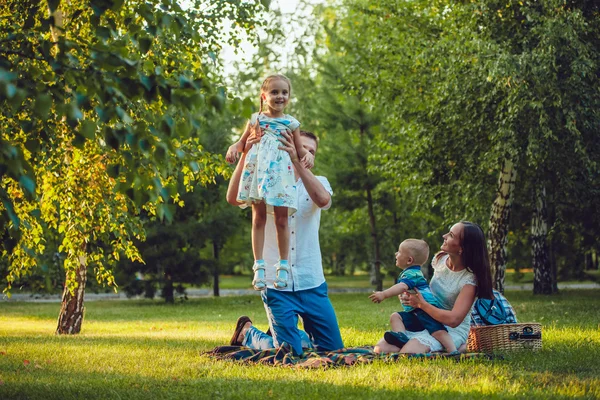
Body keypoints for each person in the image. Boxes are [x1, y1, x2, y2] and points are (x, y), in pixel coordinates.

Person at [226, 129, 344, 356]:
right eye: (303, 148)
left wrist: (297, 162)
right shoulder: (265, 181)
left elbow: (323, 200)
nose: (307, 153)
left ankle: (282, 331)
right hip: (276, 284)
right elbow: (232, 198)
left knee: (333, 350)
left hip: (312, 282)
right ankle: (248, 332)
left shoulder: (320, 182)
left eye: (312, 151)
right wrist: (244, 153)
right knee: (289, 353)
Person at [225, 74, 314, 291]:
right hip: (259, 174)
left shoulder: (292, 123)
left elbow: (300, 149)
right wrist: (234, 148)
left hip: (281, 176)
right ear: (264, 96)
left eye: (284, 92)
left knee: (282, 219)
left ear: (289, 96)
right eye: (274, 92)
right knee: (258, 218)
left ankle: (283, 266)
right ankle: (259, 266)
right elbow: (241, 142)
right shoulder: (256, 119)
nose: (280, 96)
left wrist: (307, 156)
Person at [374, 221, 494, 354]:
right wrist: (410, 295)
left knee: (407, 353)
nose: (444, 236)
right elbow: (425, 288)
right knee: (381, 349)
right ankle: (432, 348)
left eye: (451, 235)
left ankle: (456, 347)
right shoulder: (440, 260)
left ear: (462, 248)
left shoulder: (470, 280)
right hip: (425, 319)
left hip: (449, 328)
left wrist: (421, 304)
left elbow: (454, 320)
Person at [369, 239, 457, 354]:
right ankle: (401, 337)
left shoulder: (413, 274)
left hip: (426, 310)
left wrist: (384, 294)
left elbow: (402, 287)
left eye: (399, 252)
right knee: (396, 316)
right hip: (415, 312)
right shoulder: (409, 272)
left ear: (409, 260)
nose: (396, 254)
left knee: (437, 331)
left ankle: (453, 350)